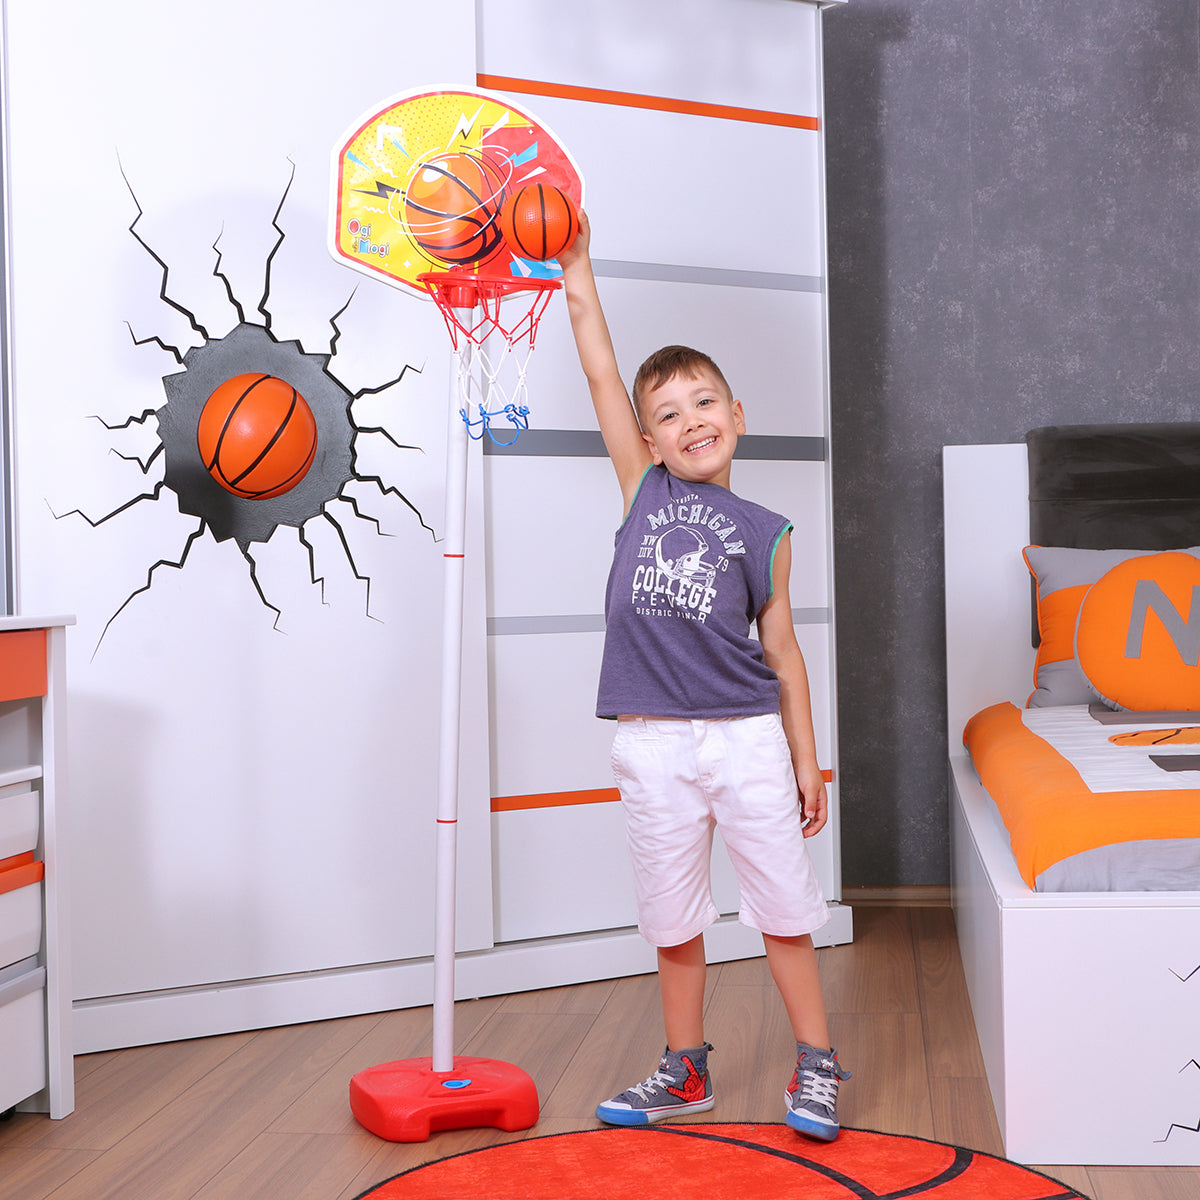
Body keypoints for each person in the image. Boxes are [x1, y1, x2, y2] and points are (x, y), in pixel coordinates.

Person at [558, 214, 850, 1141]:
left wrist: (809, 761)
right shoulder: (643, 491)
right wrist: (577, 265)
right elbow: (601, 365)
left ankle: (816, 1062)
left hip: (748, 739)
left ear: (738, 417)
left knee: (782, 909)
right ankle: (686, 1072)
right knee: (672, 919)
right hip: (652, 742)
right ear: (645, 439)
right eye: (669, 413)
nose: (691, 421)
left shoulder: (767, 531)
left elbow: (786, 656)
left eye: (706, 402)